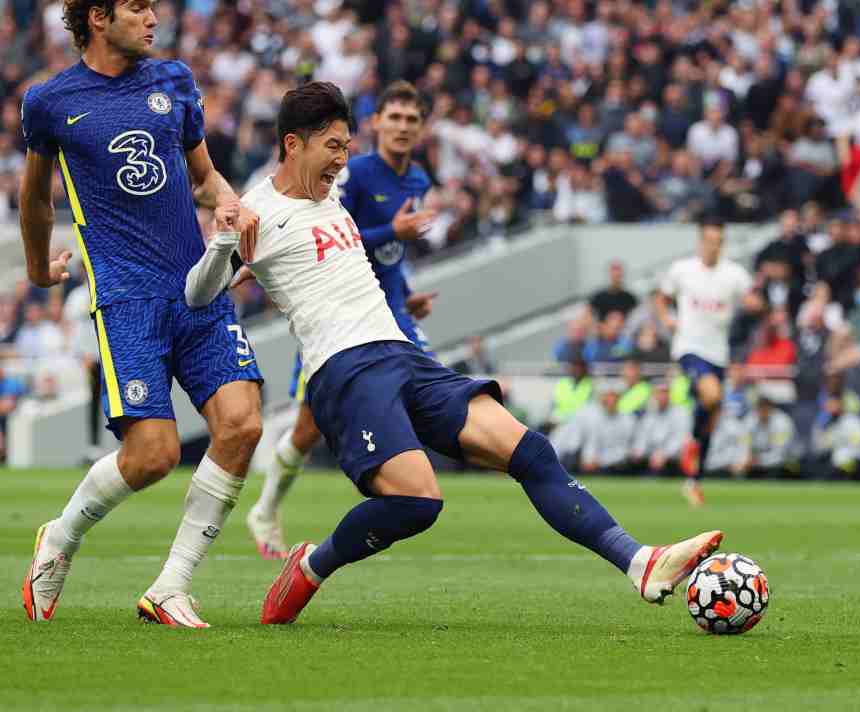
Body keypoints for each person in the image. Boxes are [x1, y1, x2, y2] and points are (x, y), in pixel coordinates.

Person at [184, 82, 721, 624]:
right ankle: (311, 566)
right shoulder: (255, 211)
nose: (343, 160)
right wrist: (226, 241)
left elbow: (348, 266)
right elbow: (199, 294)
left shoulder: (333, 198)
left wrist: (404, 295)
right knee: (419, 503)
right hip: (344, 371)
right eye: (333, 147)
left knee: (530, 450)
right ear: (293, 144)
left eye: (348, 146)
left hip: (402, 353)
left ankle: (640, 561)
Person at [20, 0, 264, 628]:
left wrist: (231, 204)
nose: (153, 16)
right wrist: (36, 264)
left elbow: (204, 177)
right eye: (137, 7)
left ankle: (171, 587)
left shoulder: (174, 80)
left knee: (241, 424)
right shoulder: (51, 102)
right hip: (126, 300)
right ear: (97, 17)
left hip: (197, 289)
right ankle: (60, 540)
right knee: (153, 455)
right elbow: (35, 198)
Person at [246, 80, 438, 560]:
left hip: (389, 315)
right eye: (393, 117)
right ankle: (268, 507)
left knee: (430, 401)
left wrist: (408, 294)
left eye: (411, 120)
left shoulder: (417, 181)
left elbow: (389, 256)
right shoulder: (351, 174)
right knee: (308, 430)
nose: (402, 127)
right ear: (375, 125)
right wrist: (391, 230)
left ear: (422, 128)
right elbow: (333, 237)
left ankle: (399, 485)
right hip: (336, 316)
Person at [655, 218, 762, 506]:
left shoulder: (734, 274)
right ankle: (691, 438)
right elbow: (661, 298)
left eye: (718, 241)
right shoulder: (683, 270)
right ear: (701, 242)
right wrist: (666, 319)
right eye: (709, 240)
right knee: (712, 395)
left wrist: (755, 304)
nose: (713, 246)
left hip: (719, 353)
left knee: (713, 415)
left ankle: (694, 480)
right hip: (689, 347)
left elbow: (754, 300)